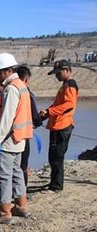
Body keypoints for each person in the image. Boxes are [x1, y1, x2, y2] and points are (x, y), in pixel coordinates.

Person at [0, 53, 33, 224]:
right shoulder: (21, 86)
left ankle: (5, 212)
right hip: (18, 140)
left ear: (7, 70)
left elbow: (6, 119)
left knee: (4, 176)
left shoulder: (11, 89)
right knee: (16, 173)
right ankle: (22, 206)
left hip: (7, 141)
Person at [39, 60, 79, 193]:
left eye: (58, 72)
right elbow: (58, 105)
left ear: (67, 70)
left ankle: (56, 185)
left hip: (62, 126)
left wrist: (49, 112)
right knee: (54, 156)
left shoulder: (70, 85)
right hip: (58, 125)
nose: (57, 76)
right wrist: (46, 113)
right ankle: (54, 182)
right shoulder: (65, 85)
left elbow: (68, 105)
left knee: (56, 156)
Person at [17, 65, 43, 187]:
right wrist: (39, 121)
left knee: (12, 165)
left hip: (8, 137)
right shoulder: (26, 93)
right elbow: (34, 116)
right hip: (23, 135)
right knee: (23, 165)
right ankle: (22, 192)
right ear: (26, 79)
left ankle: (15, 191)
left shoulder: (8, 91)